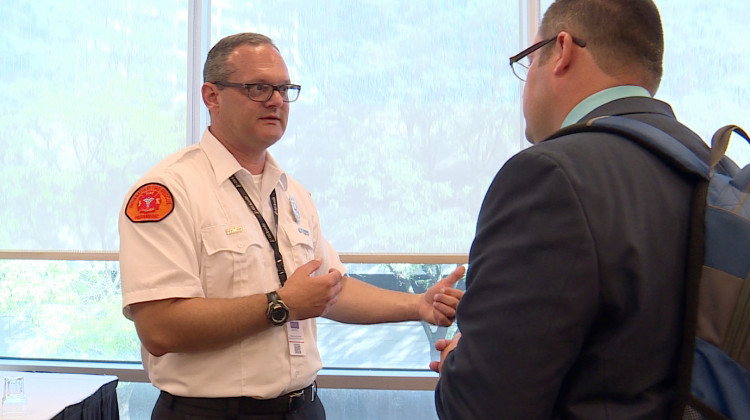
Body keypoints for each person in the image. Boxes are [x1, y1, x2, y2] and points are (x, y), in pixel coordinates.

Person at [119, 32, 465, 420]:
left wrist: (418, 305)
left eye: (284, 89)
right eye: (258, 87)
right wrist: (281, 305)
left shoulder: (292, 192)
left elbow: (332, 289)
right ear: (211, 96)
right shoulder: (169, 191)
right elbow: (160, 328)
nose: (277, 100)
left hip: (302, 407)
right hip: (210, 412)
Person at [431, 0, 710, 418]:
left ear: (561, 51)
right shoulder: (706, 164)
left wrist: (457, 361)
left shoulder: (550, 176)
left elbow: (482, 407)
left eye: (527, 62)